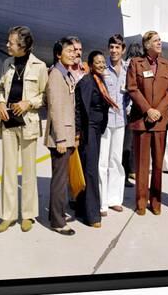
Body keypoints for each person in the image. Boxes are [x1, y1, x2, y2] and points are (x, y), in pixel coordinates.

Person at [0, 26, 48, 233]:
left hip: (28, 124)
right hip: (8, 123)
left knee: (28, 171)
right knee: (8, 170)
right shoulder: (7, 64)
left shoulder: (39, 66)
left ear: (23, 46)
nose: (7, 45)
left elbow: (44, 95)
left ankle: (28, 215)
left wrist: (28, 103)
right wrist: (0, 103)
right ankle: (7, 215)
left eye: (11, 42)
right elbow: (0, 89)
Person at [127, 31, 168, 216]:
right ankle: (140, 202)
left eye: (160, 40)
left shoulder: (167, 65)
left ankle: (155, 202)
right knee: (141, 164)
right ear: (147, 45)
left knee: (157, 165)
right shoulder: (136, 63)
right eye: (156, 41)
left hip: (160, 122)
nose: (159, 43)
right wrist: (148, 110)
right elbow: (132, 88)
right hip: (142, 120)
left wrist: (157, 111)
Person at [75, 51, 118, 227]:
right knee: (91, 170)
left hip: (96, 129)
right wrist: (78, 133)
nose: (101, 65)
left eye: (102, 62)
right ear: (90, 65)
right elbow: (79, 109)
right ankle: (92, 215)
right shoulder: (86, 82)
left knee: (89, 168)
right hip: (89, 130)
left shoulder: (99, 80)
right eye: (97, 62)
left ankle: (82, 207)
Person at [45, 37, 79, 236]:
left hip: (65, 134)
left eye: (74, 51)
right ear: (59, 55)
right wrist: (59, 138)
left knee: (61, 177)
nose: (73, 54)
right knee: (59, 180)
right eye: (69, 51)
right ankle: (58, 221)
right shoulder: (57, 75)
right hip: (60, 137)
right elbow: (55, 109)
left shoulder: (65, 74)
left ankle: (56, 214)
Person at [98, 35, 129, 217]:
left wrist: (130, 109)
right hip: (105, 120)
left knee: (116, 161)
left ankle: (114, 199)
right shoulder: (103, 68)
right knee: (102, 161)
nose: (114, 51)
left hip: (120, 122)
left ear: (123, 49)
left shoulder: (127, 69)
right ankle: (102, 202)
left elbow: (131, 93)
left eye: (117, 47)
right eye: (111, 47)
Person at [122, 42, 144, 188]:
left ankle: (129, 171)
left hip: (125, 111)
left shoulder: (124, 66)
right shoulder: (132, 68)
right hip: (130, 111)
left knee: (127, 144)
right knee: (128, 145)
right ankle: (126, 173)